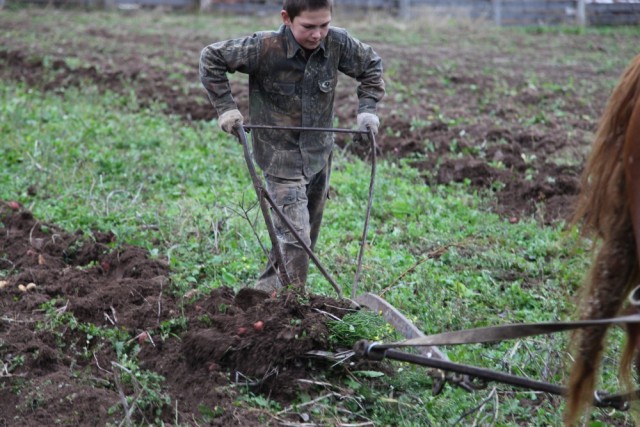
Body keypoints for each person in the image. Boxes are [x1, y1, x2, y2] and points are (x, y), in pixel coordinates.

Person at [199, 0, 385, 292]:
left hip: (318, 153)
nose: (317, 34)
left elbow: (371, 65)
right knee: (298, 239)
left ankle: (266, 292)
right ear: (286, 18)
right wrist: (226, 109)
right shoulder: (264, 47)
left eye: (324, 25)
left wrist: (368, 110)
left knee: (301, 233)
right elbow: (211, 58)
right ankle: (293, 308)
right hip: (279, 156)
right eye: (308, 27)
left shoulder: (337, 43)